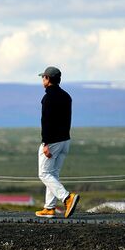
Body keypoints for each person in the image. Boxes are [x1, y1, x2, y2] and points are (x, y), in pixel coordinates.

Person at [36, 66, 80, 218]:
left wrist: (45, 143)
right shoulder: (66, 96)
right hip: (65, 140)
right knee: (53, 174)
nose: (42, 80)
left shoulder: (48, 98)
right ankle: (49, 208)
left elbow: (46, 122)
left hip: (52, 142)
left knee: (44, 174)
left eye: (43, 77)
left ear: (48, 79)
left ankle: (67, 198)